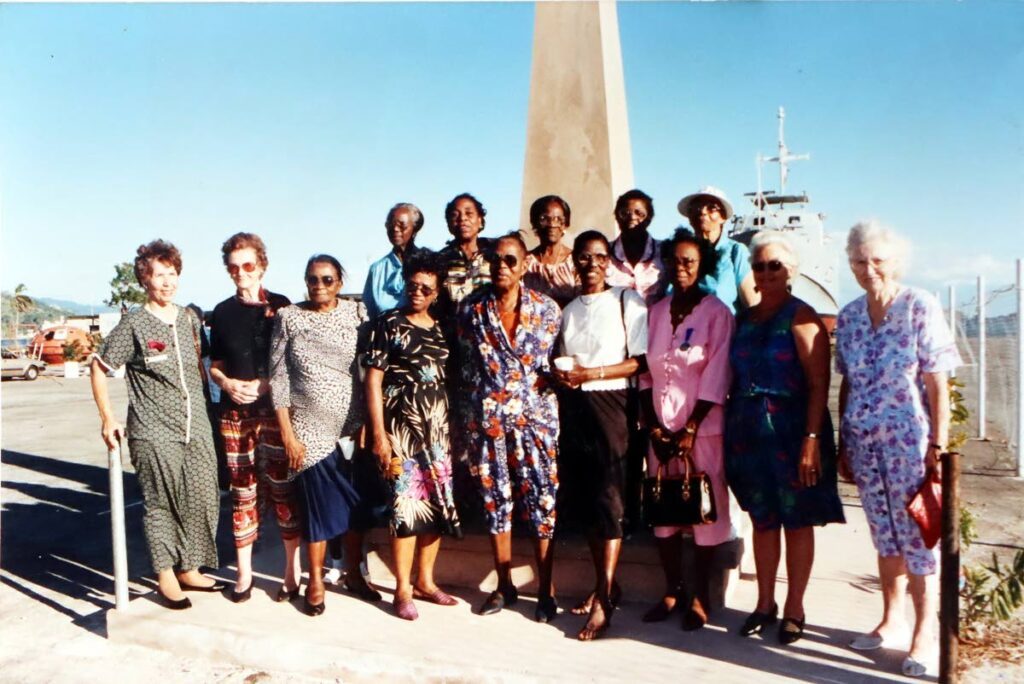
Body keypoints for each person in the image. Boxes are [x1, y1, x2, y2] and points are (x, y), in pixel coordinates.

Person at [835, 221, 960, 678]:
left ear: (895, 262)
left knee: (918, 539)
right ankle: (891, 620)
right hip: (864, 444)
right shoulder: (848, 316)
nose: (869, 269)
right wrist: (843, 442)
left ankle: (925, 632)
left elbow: (937, 380)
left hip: (911, 444)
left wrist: (938, 444)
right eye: (858, 261)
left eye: (877, 260)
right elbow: (846, 379)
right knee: (883, 533)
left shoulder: (918, 305)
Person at [724, 232, 845, 644]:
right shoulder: (744, 319)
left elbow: (818, 384)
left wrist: (811, 439)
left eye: (774, 265)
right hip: (748, 433)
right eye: (759, 266)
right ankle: (764, 603)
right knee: (762, 519)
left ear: (790, 271)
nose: (766, 272)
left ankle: (795, 607)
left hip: (793, 432)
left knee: (796, 520)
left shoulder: (803, 316)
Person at [90, 239, 223, 609]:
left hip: (196, 425)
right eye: (159, 275)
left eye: (172, 273)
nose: (168, 281)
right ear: (145, 281)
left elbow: (203, 367)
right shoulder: (134, 322)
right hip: (153, 428)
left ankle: (189, 567)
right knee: (160, 502)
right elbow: (99, 367)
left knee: (202, 496)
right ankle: (166, 574)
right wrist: (108, 418)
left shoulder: (189, 319)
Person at [458, 233, 562, 622]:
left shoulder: (548, 310)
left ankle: (546, 589)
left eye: (510, 260)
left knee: (542, 501)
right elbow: (468, 371)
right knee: (495, 503)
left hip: (535, 423)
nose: (502, 266)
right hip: (490, 424)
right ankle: (504, 586)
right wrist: (471, 426)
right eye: (496, 260)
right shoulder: (472, 309)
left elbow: (555, 366)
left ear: (524, 265)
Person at [268, 254, 378, 616]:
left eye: (327, 280)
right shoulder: (289, 318)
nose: (319, 286)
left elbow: (369, 366)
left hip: (352, 424)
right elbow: (279, 377)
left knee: (355, 504)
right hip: (309, 430)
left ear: (340, 283)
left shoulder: (356, 314)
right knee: (317, 507)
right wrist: (287, 433)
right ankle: (315, 580)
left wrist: (370, 424)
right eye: (312, 279)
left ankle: (352, 573)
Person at [553, 230, 647, 640]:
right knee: (590, 499)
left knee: (611, 498)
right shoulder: (569, 309)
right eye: (583, 257)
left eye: (598, 256)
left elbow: (638, 363)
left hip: (613, 404)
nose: (590, 264)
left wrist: (592, 373)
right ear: (575, 261)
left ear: (608, 261)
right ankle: (604, 585)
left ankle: (604, 601)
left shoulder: (628, 300)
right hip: (577, 407)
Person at [639, 228, 734, 631]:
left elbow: (718, 372)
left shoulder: (717, 314)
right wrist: (657, 428)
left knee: (705, 514)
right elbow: (645, 374)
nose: (681, 268)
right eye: (675, 261)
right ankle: (672, 590)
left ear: (702, 265)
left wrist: (691, 427)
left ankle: (700, 597)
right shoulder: (656, 312)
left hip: (703, 430)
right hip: (661, 429)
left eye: (689, 261)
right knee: (664, 512)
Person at [364, 251, 462, 621]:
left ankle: (426, 581)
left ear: (437, 292)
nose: (418, 292)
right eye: (413, 285)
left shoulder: (440, 327)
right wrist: (379, 434)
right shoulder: (387, 323)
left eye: (426, 288)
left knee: (436, 503)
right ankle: (403, 588)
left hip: (437, 429)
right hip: (401, 429)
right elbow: (373, 380)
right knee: (405, 508)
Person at [206, 232, 298, 603]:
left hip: (276, 415)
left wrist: (264, 385)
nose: (240, 273)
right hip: (235, 416)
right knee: (243, 494)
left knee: (284, 491)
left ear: (262, 265)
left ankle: (292, 574)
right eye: (233, 267)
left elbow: (292, 361)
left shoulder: (281, 306)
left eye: (247, 265)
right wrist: (227, 384)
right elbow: (215, 364)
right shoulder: (222, 312)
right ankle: (243, 575)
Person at [677, 185, 758, 312]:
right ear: (689, 218)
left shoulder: (736, 252)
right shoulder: (679, 254)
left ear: (723, 217)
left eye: (711, 208)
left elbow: (753, 305)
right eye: (696, 207)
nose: (703, 212)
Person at [362, 202, 425, 320]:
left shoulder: (427, 263)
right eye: (391, 224)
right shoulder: (377, 269)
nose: (395, 229)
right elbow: (368, 314)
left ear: (414, 228)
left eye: (402, 225)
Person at [437, 193, 495, 321]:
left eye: (469, 214)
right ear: (449, 223)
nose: (462, 219)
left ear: (480, 221)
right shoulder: (440, 260)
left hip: (489, 331)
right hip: (452, 335)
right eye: (455, 215)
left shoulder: (495, 253)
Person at [606, 189, 664, 304]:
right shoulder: (605, 253)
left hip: (654, 320)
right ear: (617, 217)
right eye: (625, 213)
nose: (632, 217)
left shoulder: (664, 251)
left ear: (649, 219)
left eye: (639, 213)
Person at [524, 194, 579, 307]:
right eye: (544, 219)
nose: (552, 224)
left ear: (565, 225)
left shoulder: (575, 261)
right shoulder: (525, 262)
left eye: (559, 219)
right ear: (535, 223)